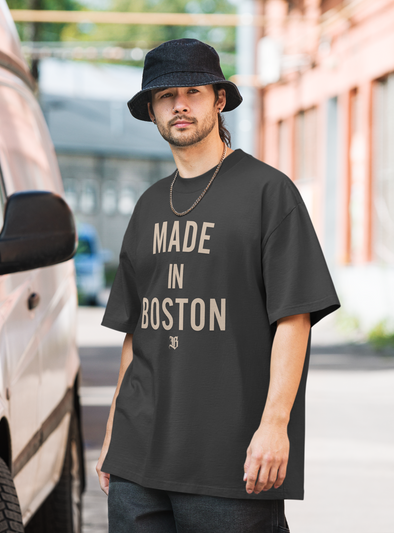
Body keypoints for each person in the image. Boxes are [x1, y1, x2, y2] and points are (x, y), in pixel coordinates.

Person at [96, 38, 340, 533]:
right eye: (165, 96)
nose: (179, 104)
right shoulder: (146, 207)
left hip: (231, 465)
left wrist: (275, 425)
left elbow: (295, 318)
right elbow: (136, 334)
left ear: (219, 100)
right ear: (152, 110)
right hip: (137, 463)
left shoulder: (269, 193)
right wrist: (112, 434)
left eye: (192, 91)